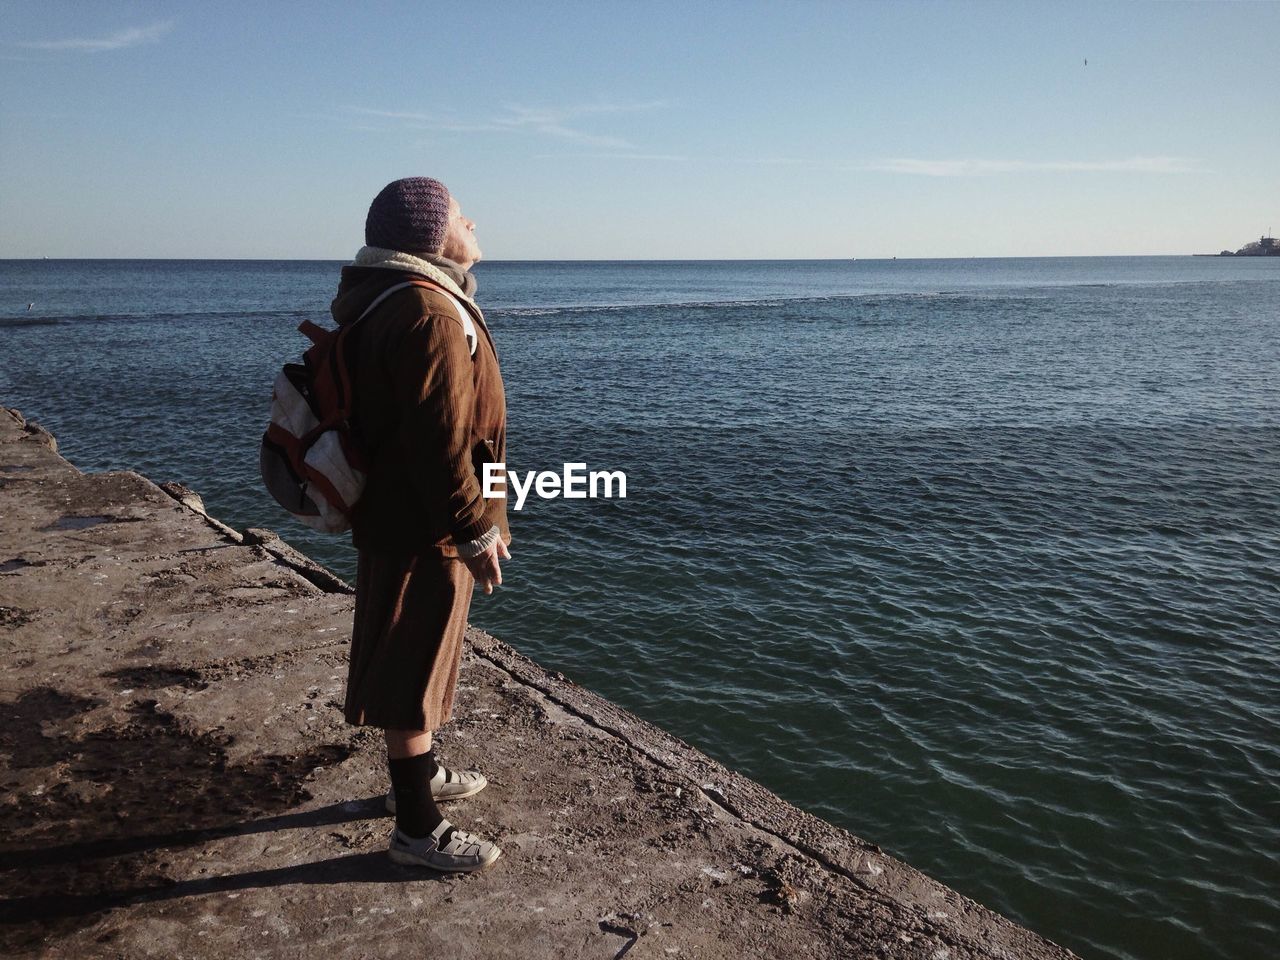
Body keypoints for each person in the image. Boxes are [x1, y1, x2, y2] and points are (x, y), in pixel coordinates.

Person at [329, 177, 510, 872]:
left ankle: (421, 774)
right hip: (423, 524)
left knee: (420, 658)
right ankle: (416, 830)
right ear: (434, 235)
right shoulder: (428, 311)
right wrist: (473, 526)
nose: (474, 220)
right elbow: (441, 444)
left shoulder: (409, 298)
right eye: (462, 214)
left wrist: (485, 511)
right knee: (410, 666)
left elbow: (460, 433)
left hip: (409, 514)